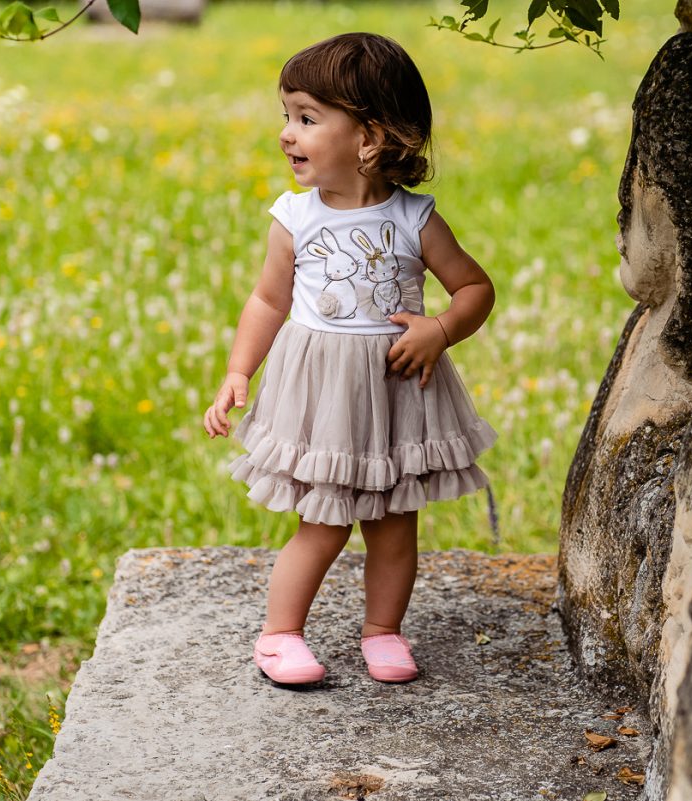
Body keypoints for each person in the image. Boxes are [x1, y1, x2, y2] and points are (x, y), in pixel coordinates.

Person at [202, 32, 496, 686]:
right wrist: (237, 372)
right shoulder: (296, 219)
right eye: (286, 116)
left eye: (306, 118)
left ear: (371, 136)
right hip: (327, 396)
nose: (286, 133)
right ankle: (279, 634)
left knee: (393, 525)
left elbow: (476, 289)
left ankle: (383, 630)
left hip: (397, 391)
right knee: (324, 522)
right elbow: (266, 301)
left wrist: (441, 330)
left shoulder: (415, 219)